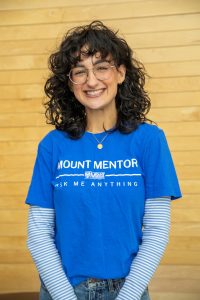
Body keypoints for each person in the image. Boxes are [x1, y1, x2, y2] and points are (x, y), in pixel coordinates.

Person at [26, 20, 182, 300]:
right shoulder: (53, 145)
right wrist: (64, 296)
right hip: (62, 289)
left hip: (127, 290)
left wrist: (127, 296)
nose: (92, 80)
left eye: (101, 67)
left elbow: (157, 231)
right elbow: (38, 234)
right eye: (79, 71)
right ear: (69, 82)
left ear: (121, 73)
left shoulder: (149, 140)